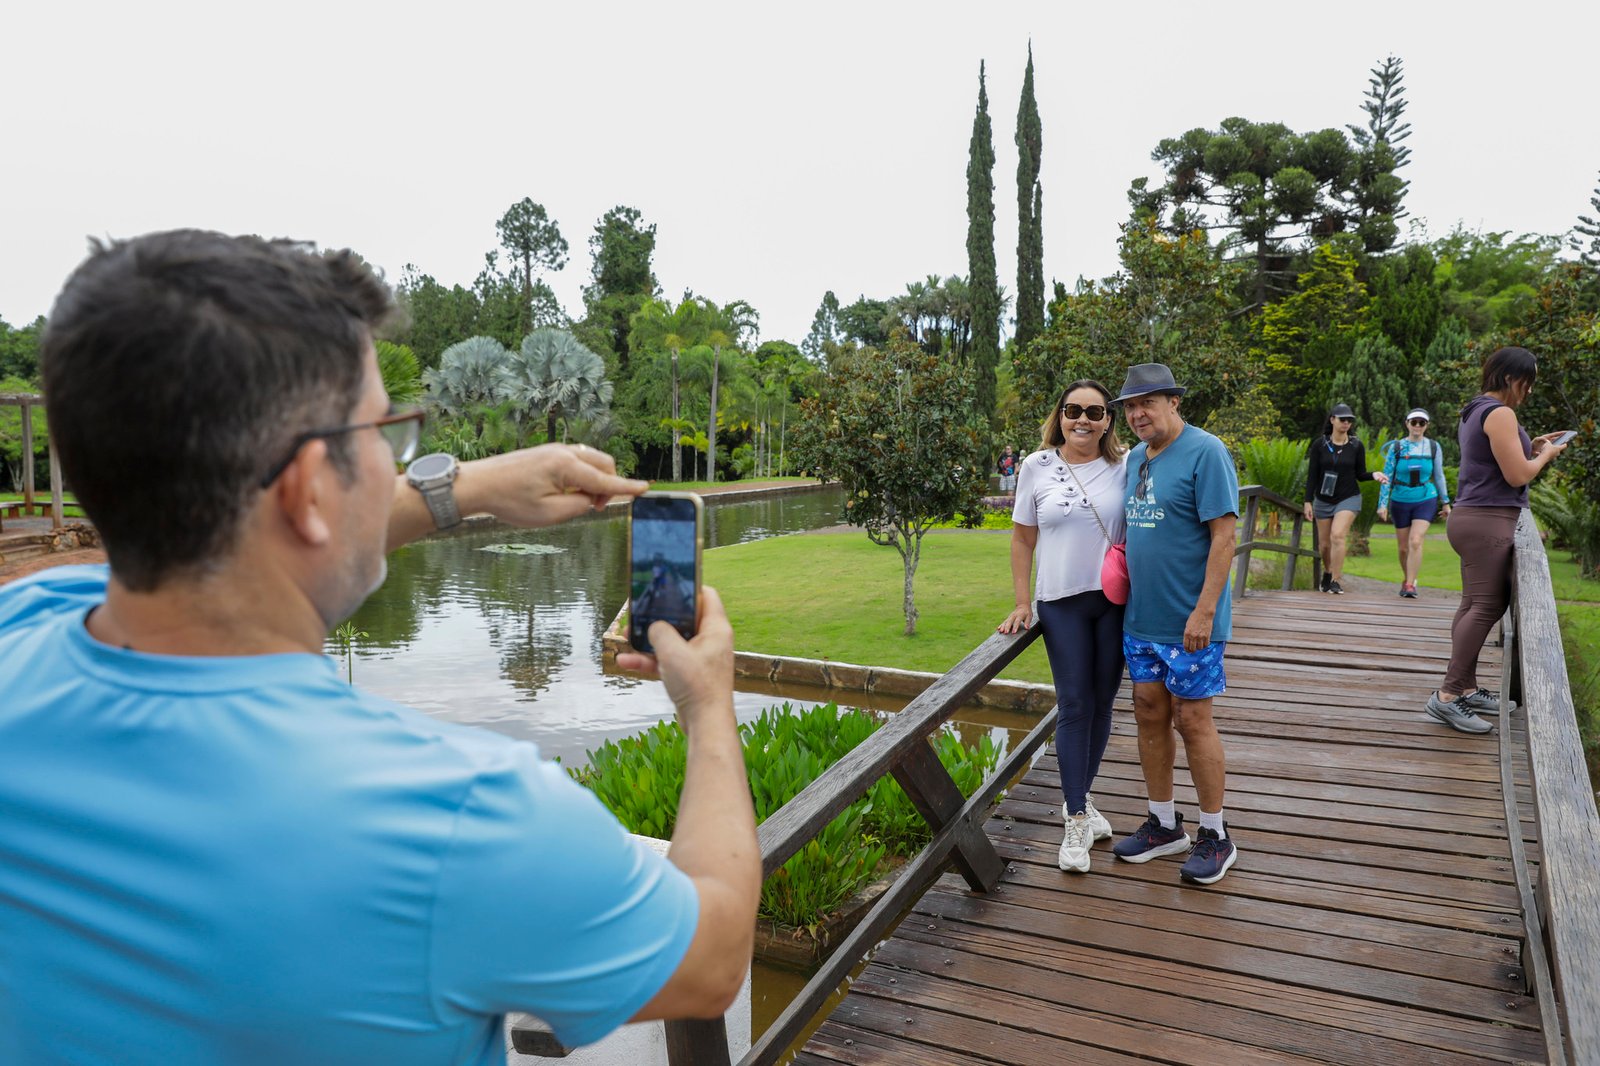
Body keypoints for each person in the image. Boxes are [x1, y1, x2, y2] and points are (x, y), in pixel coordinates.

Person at [0, 230, 760, 1066]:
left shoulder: (21, 635)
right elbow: (714, 951)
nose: (396, 461)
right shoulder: (462, 819)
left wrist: (464, 491)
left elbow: (182, 544)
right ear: (306, 489)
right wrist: (708, 705)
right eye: (383, 434)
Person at [1110, 363, 1241, 885]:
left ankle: (1215, 833)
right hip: (1141, 620)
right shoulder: (1136, 458)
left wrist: (1206, 610)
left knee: (1192, 720)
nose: (1138, 413)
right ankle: (1164, 824)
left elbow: (1224, 538)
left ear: (1174, 403)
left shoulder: (1206, 452)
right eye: (1131, 406)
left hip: (1192, 621)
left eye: (1149, 402)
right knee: (1148, 713)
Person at [998, 380, 1127, 874]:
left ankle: (1084, 800)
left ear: (1107, 420)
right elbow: (1022, 538)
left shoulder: (1125, 465)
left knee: (1102, 704)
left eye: (1095, 412)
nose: (1083, 420)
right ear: (1060, 414)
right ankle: (1074, 818)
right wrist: (1019, 601)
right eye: (1074, 410)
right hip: (1060, 602)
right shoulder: (1037, 465)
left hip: (1115, 602)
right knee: (1074, 704)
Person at [1425, 346, 1570, 734]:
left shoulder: (1475, 408)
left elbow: (1496, 460)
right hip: (1488, 519)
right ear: (1510, 377)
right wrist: (1546, 456)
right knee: (1487, 606)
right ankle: (1447, 696)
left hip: (1470, 517)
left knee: (1473, 604)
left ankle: (1465, 687)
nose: (1530, 389)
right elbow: (1518, 476)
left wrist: (1532, 444)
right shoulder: (1501, 413)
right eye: (1529, 380)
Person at [1302, 403, 1390, 595]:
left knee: (1338, 535)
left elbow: (1360, 473)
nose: (1346, 423)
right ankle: (1327, 571)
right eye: (1343, 419)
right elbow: (1312, 475)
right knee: (1324, 545)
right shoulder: (1319, 445)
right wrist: (1308, 501)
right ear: (1332, 420)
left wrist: (1374, 474)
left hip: (1349, 497)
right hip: (1323, 499)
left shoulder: (1356, 445)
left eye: (1349, 420)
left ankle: (1335, 580)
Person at [1376, 408, 1452, 598]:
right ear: (1407, 424)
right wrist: (1382, 504)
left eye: (1422, 423)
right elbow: (1387, 477)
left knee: (1416, 540)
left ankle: (1410, 584)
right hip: (1400, 499)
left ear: (1427, 426)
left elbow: (1439, 475)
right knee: (1403, 548)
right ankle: (1407, 577)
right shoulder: (1397, 447)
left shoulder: (1433, 447)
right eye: (1414, 422)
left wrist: (1445, 502)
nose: (1417, 426)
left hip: (1425, 497)